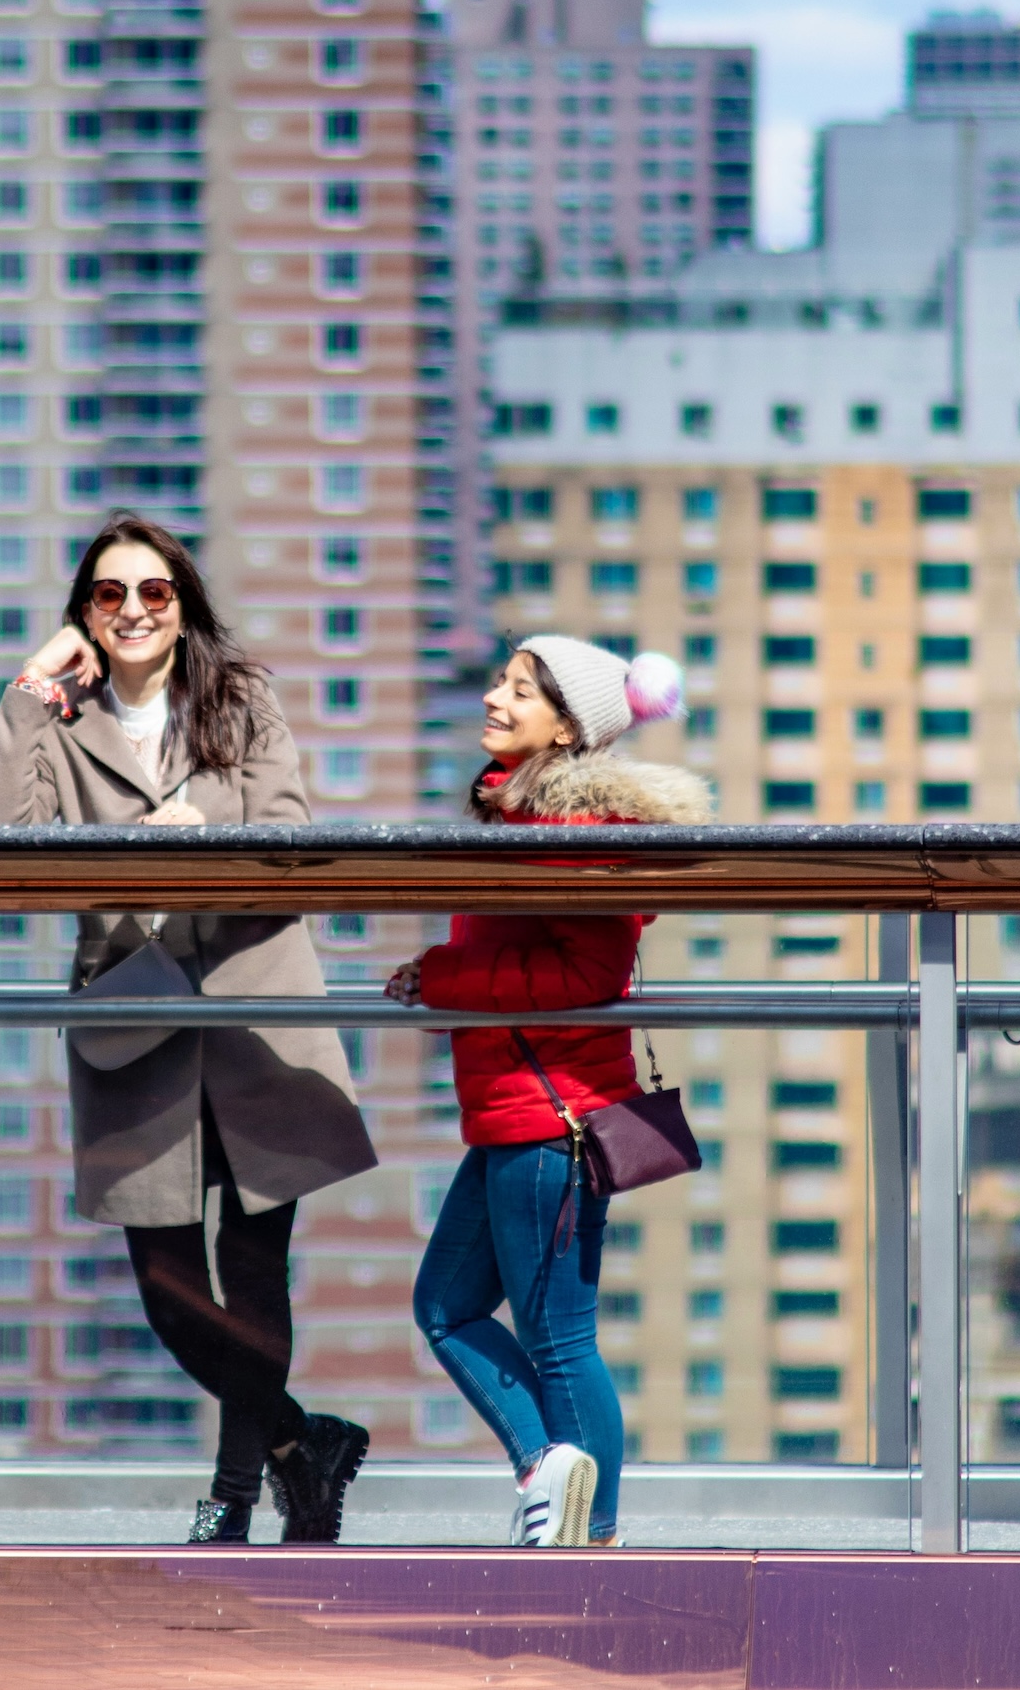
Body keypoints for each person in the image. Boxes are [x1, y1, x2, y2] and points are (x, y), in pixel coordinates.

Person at [0, 513, 377, 1546]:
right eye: (109, 596)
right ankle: (299, 1443)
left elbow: (287, 834)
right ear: (84, 615)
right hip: (132, 1023)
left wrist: (207, 835)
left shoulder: (238, 701)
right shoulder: (59, 725)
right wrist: (25, 692)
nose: (134, 612)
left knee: (250, 1271)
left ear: (182, 604)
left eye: (154, 592)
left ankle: (235, 1499)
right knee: (165, 1290)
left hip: (252, 1010)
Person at [386, 636, 710, 1546]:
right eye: (501, 681)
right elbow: (518, 956)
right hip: (515, 1114)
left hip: (549, 1118)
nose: (496, 698)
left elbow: (590, 973)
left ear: (568, 729)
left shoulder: (575, 837)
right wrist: (441, 968)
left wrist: (448, 981)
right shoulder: (523, 822)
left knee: (559, 1338)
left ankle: (584, 1524)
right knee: (445, 1308)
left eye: (521, 692)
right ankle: (559, 1487)